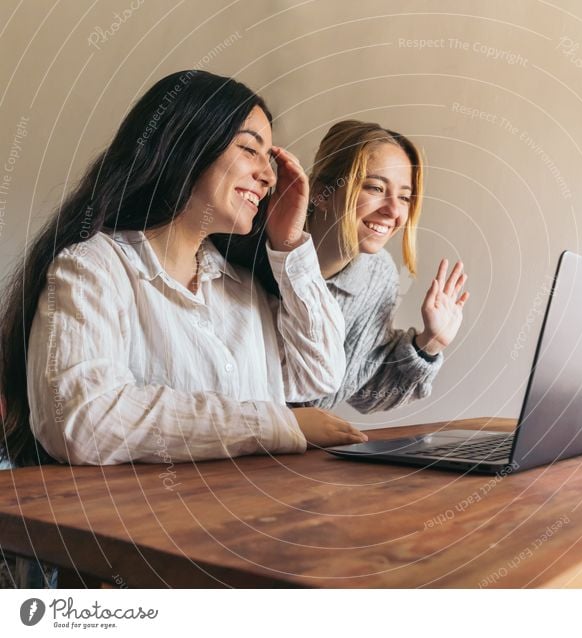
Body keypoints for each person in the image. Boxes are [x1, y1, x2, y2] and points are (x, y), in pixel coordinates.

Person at [0, 70, 368, 470]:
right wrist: (274, 423)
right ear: (186, 147)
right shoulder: (93, 268)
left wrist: (290, 244)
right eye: (249, 150)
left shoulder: (242, 288)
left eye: (270, 158)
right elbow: (82, 421)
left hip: (245, 520)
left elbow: (321, 373)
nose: (268, 175)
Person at [300, 120, 469, 413]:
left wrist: (428, 345)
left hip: (298, 449)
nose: (393, 210)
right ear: (321, 193)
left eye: (404, 197)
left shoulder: (378, 274)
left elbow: (363, 391)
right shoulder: (254, 253)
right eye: (376, 188)